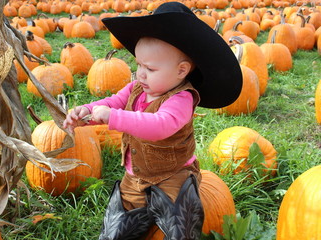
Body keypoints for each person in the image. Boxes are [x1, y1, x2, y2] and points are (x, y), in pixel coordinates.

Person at [63, 2, 242, 240]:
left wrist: (113, 118)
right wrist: (87, 110)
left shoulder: (181, 99)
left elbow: (160, 125)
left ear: (181, 71)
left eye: (150, 68)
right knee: (116, 230)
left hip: (172, 177)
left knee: (182, 228)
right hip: (134, 177)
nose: (141, 74)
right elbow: (115, 101)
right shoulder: (137, 87)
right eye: (138, 65)